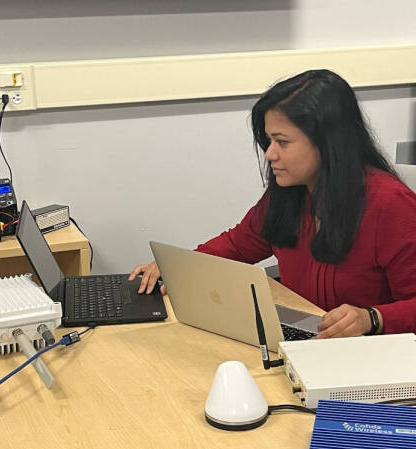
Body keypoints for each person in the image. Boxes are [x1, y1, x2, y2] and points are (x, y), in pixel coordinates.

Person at [129, 69, 416, 338]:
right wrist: (179, 266)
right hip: (304, 339)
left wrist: (373, 318)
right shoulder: (290, 192)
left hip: (370, 358)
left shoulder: (390, 204)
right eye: (268, 141)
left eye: (282, 142)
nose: (270, 154)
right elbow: (238, 245)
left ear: (327, 143)